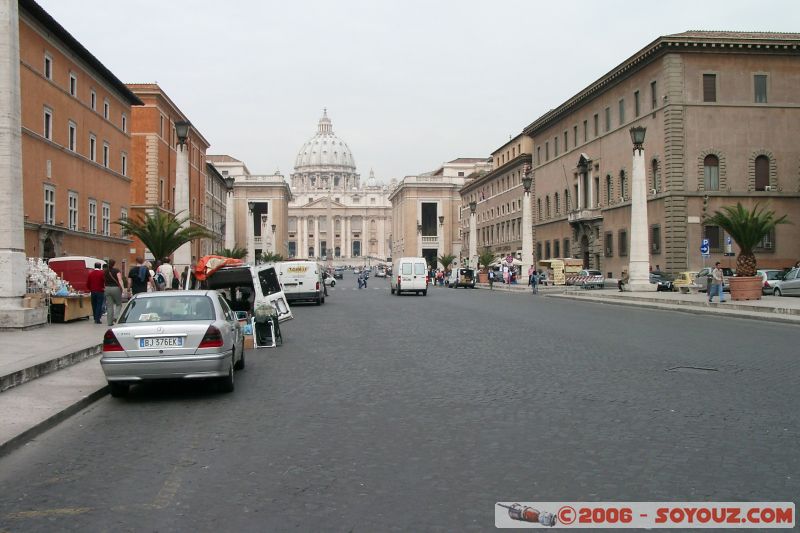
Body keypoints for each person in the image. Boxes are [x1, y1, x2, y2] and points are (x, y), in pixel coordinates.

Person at [103, 259, 125, 325]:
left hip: (107, 288)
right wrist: (123, 289)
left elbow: (103, 280)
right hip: (115, 288)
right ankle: (116, 316)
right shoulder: (116, 270)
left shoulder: (105, 271)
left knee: (109, 306)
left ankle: (109, 322)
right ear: (114, 264)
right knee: (119, 304)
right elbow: (120, 280)